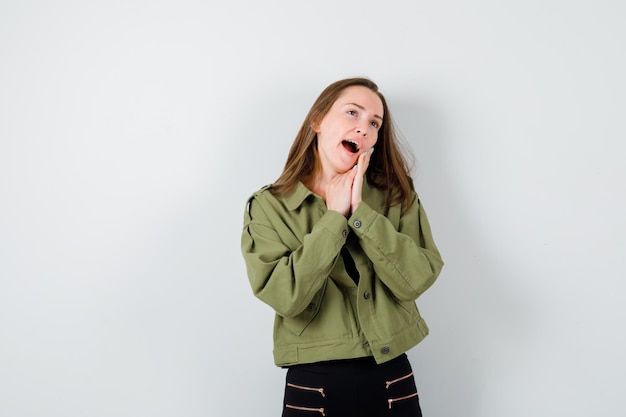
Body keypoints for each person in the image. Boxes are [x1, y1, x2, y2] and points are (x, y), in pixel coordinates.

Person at [241, 77, 444, 417]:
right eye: (353, 113)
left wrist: (361, 214)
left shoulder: (396, 195)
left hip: (391, 376)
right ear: (317, 120)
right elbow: (284, 296)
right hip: (314, 382)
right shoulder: (269, 206)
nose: (363, 127)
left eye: (374, 123)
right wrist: (334, 217)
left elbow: (417, 279)